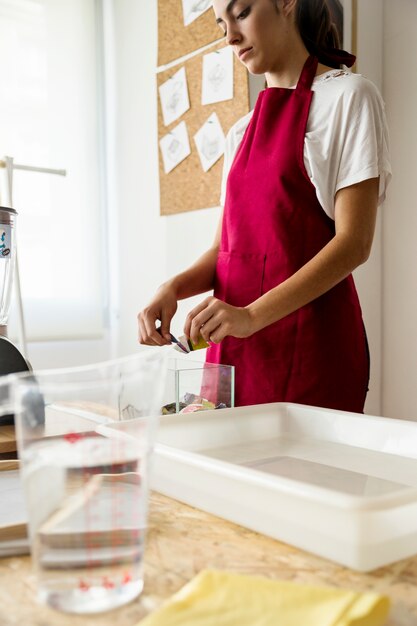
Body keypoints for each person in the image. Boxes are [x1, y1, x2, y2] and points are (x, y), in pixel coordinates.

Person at [138, 0, 391, 413]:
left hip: (312, 351)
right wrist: (173, 288)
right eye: (222, 24)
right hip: (236, 353)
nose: (230, 36)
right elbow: (227, 253)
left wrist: (251, 316)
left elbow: (354, 243)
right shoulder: (240, 132)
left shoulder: (350, 97)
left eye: (241, 13)